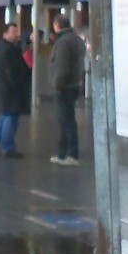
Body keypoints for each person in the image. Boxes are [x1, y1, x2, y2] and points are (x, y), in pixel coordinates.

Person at [0, 22, 30, 158]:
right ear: (5, 34)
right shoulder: (8, 50)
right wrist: (20, 86)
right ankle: (8, 148)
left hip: (3, 90)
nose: (17, 34)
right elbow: (11, 72)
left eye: (17, 32)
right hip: (10, 90)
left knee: (5, 116)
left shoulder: (3, 47)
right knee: (11, 118)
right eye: (13, 32)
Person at [48, 14, 86, 166]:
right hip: (74, 84)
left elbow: (62, 67)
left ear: (57, 25)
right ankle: (62, 153)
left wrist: (58, 84)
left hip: (64, 86)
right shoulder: (75, 38)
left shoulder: (63, 42)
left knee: (67, 121)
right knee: (65, 120)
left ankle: (71, 154)